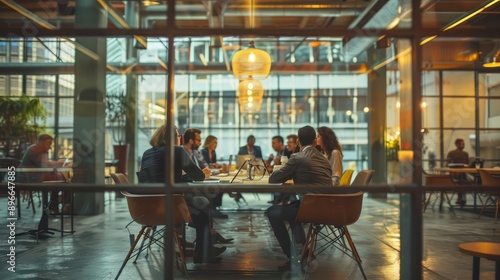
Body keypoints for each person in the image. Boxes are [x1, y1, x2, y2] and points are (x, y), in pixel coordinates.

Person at [138, 125, 227, 264]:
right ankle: (203, 252)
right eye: (178, 134)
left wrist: (190, 176)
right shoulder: (177, 151)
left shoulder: (147, 153)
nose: (180, 137)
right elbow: (198, 176)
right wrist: (203, 173)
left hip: (147, 208)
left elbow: (165, 179)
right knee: (203, 203)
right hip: (169, 207)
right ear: (173, 137)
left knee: (200, 202)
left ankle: (205, 248)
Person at [266, 125, 333, 271]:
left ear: (298, 142)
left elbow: (273, 178)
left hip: (311, 209)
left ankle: (293, 258)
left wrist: (289, 170)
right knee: (293, 209)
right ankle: (304, 253)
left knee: (272, 212)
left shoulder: (297, 157)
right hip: (329, 208)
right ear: (315, 142)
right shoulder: (324, 159)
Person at [18, 134, 70, 214]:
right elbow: (44, 165)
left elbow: (44, 166)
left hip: (35, 176)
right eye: (48, 142)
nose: (50, 145)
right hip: (30, 178)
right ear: (41, 142)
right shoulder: (34, 149)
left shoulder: (39, 149)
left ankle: (56, 205)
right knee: (61, 181)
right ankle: (57, 205)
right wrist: (60, 163)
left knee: (61, 180)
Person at [184, 128, 228, 219]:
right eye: (198, 140)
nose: (200, 143)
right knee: (210, 193)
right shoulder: (182, 154)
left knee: (215, 187)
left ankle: (208, 223)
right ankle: (207, 220)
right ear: (191, 141)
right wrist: (201, 173)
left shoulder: (196, 153)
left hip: (195, 185)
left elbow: (205, 168)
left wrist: (216, 171)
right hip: (187, 189)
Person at [201, 135, 229, 216]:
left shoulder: (213, 152)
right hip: (206, 175)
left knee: (221, 186)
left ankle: (215, 208)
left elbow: (213, 165)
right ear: (209, 143)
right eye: (214, 142)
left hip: (212, 174)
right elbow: (206, 166)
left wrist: (219, 166)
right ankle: (214, 209)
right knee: (218, 187)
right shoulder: (203, 152)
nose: (216, 144)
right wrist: (216, 167)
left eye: (216, 143)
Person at [446, 138, 470, 205]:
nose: (463, 145)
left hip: (461, 173)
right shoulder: (452, 153)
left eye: (464, 144)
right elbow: (447, 163)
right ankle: (461, 197)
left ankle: (460, 197)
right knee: (462, 178)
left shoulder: (465, 154)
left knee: (462, 177)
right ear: (457, 145)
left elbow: (467, 164)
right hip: (455, 174)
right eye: (462, 144)